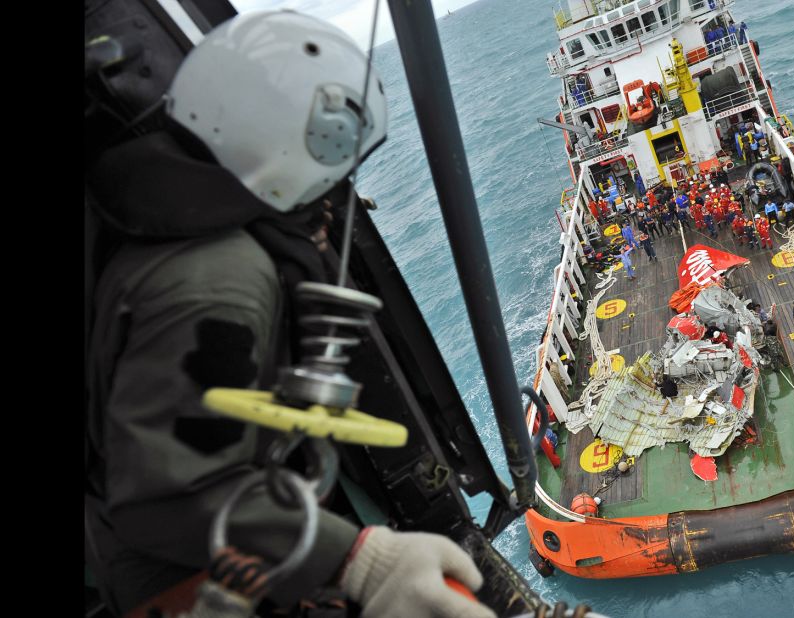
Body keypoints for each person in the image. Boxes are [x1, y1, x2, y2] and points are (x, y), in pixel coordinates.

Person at [84, 11, 493, 618]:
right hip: (176, 575)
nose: (338, 185)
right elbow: (169, 498)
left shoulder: (168, 224)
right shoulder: (219, 277)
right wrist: (359, 559)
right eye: (330, 152)